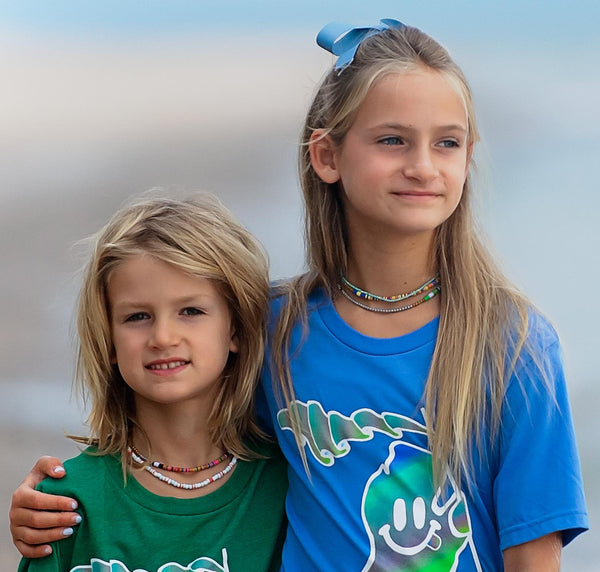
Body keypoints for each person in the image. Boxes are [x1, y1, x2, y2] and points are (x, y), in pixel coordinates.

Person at [10, 19, 588, 571]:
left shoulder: (512, 344)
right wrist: (64, 499)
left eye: (447, 143)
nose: (422, 166)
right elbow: (184, 451)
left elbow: (534, 554)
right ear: (326, 156)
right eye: (392, 140)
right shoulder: (276, 327)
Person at [15, 195, 287, 572]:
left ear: (236, 329)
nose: (162, 336)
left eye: (191, 311)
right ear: (108, 339)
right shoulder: (65, 503)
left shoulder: (290, 485)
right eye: (137, 316)